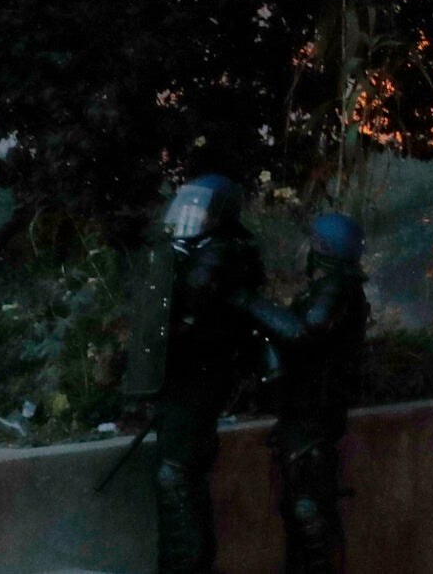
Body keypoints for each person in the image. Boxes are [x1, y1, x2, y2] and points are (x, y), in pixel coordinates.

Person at [131, 175, 294, 574]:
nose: (190, 213)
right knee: (175, 476)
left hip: (201, 377)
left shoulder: (222, 253)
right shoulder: (193, 248)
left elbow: (195, 302)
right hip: (184, 378)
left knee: (178, 477)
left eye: (200, 207)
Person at [268, 212, 370, 574]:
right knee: (302, 513)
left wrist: (253, 305)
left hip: (314, 418)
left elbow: (307, 330)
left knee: (310, 515)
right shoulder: (333, 289)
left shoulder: (337, 289)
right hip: (304, 415)